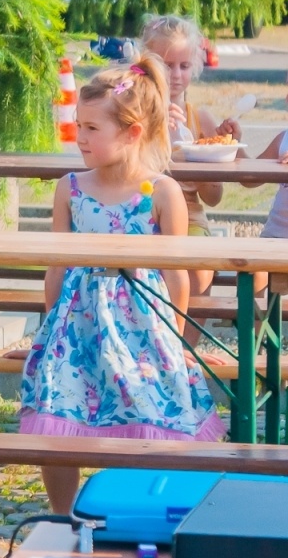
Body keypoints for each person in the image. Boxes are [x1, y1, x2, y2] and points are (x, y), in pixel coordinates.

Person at [12, 57, 224, 514]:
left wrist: (179, 339)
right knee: (57, 420)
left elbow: (176, 274)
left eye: (91, 128)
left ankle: (147, 514)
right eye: (78, 126)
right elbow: (57, 264)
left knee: (150, 415)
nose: (80, 138)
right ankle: (63, 515)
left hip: (142, 326)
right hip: (77, 328)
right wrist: (46, 333)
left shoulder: (162, 192)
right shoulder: (70, 188)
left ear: (131, 131)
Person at [140, 15, 243, 316]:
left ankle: (187, 354)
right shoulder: (134, 116)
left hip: (191, 220)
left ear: (194, 68)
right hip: (141, 215)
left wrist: (211, 159)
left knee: (198, 270)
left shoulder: (202, 121)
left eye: (183, 66)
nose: (174, 74)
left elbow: (213, 198)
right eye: (166, 64)